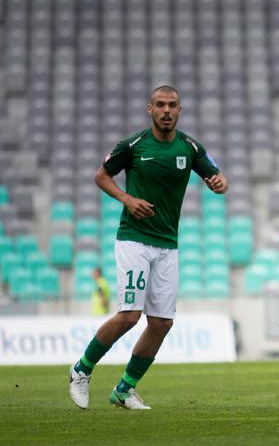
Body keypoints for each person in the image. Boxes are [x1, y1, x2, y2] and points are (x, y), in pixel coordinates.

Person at [68, 85, 228, 410]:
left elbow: (218, 179)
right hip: (134, 239)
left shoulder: (191, 147)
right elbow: (101, 176)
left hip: (168, 245)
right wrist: (127, 199)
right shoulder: (133, 145)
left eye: (172, 105)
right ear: (150, 109)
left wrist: (219, 183)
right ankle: (81, 371)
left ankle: (124, 390)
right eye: (160, 105)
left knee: (162, 323)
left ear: (180, 110)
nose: (166, 110)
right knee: (129, 316)